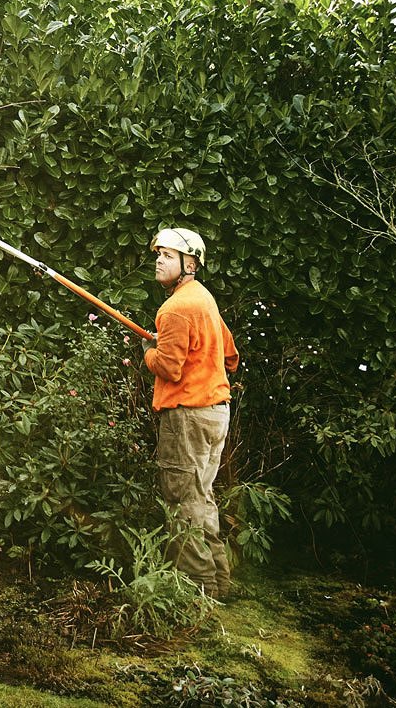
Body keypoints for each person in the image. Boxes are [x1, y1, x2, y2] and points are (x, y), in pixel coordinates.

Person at [142, 227, 239, 599]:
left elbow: (169, 368)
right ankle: (220, 584)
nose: (158, 261)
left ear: (190, 264)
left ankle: (197, 590)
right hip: (216, 413)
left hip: (188, 418)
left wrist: (150, 351)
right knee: (201, 497)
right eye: (158, 255)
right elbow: (230, 356)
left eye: (166, 256)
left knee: (183, 500)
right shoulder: (204, 300)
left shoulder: (176, 308)